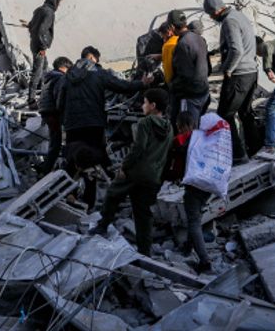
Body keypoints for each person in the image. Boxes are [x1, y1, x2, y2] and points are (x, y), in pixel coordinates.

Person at [60, 46, 149, 210]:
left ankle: (66, 195)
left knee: (73, 160)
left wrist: (64, 122)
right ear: (92, 57)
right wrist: (141, 84)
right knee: (91, 160)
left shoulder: (68, 75)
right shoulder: (97, 73)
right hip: (93, 123)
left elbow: (60, 101)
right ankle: (89, 202)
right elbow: (121, 86)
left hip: (73, 125)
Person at [93, 88, 172, 256]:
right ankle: (144, 250)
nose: (143, 106)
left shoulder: (145, 123)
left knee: (113, 194)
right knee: (143, 213)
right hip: (153, 177)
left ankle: (102, 226)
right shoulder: (169, 127)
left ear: (153, 105)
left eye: (145, 102)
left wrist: (124, 167)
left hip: (137, 171)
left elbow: (138, 149)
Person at [204, 0, 258, 163]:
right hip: (251, 72)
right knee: (245, 113)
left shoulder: (229, 21)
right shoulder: (239, 15)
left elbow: (236, 50)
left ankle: (238, 155)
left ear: (216, 11)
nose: (212, 18)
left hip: (239, 74)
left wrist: (227, 69)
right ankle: (256, 150)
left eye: (211, 15)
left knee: (225, 114)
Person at [164, 111, 214, 273]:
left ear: (181, 126)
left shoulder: (180, 141)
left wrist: (168, 176)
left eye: (178, 126)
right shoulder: (205, 138)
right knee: (196, 215)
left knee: (193, 221)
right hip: (210, 184)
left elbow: (176, 169)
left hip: (194, 186)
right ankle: (187, 247)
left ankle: (205, 261)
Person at [167, 10, 209, 129]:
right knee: (198, 127)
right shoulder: (199, 38)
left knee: (189, 131)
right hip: (204, 91)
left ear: (171, 26)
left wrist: (171, 86)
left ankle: (189, 147)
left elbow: (184, 75)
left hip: (191, 95)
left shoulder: (182, 44)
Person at [27, 0, 63, 105]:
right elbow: (42, 31)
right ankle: (31, 100)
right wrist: (43, 47)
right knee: (37, 72)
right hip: (39, 46)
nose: (59, 5)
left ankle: (43, 94)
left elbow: (31, 26)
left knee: (44, 68)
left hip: (34, 43)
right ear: (54, 0)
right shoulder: (49, 13)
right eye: (59, 2)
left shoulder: (39, 10)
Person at [38, 56, 72, 175]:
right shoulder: (60, 78)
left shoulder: (50, 77)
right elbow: (59, 98)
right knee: (56, 144)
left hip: (46, 112)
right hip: (53, 113)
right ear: (63, 68)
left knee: (55, 142)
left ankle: (47, 169)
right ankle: (47, 171)